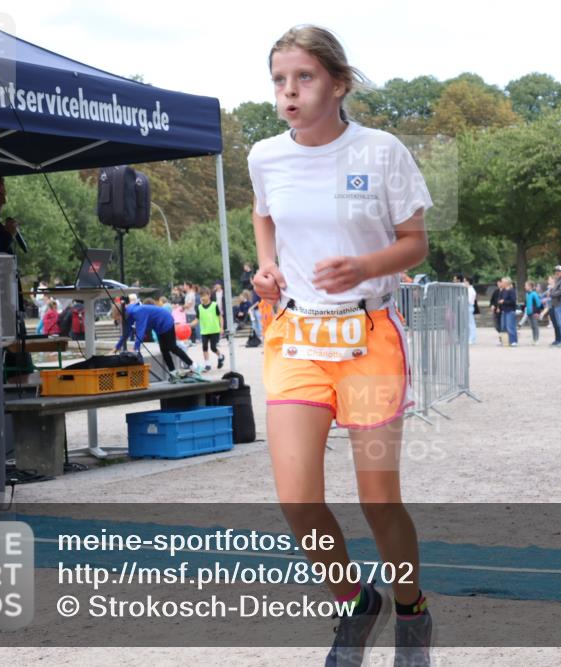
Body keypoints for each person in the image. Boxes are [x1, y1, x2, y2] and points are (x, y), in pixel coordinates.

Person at [248, 25, 434, 666]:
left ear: (338, 83)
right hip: (295, 337)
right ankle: (357, 602)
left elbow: (416, 242)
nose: (289, 92)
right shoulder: (265, 156)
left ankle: (411, 611)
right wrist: (266, 265)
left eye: (303, 78)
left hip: (369, 339)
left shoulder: (381, 151)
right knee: (297, 499)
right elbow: (263, 213)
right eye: (279, 80)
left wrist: (363, 267)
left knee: (378, 499)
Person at [112, 301, 197, 373]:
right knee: (164, 350)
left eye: (118, 319)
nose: (118, 321)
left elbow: (140, 331)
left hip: (166, 321)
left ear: (121, 314)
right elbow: (126, 333)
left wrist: (135, 349)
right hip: (158, 327)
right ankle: (173, 372)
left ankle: (192, 364)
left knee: (172, 347)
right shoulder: (128, 315)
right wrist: (116, 347)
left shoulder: (137, 311)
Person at [196, 288, 226, 371]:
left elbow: (220, 317)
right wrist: (189, 325)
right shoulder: (199, 307)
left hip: (214, 330)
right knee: (204, 347)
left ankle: (221, 356)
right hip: (204, 331)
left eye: (204, 295)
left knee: (213, 347)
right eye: (201, 296)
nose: (202, 297)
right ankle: (207, 364)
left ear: (209, 295)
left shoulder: (214, 305)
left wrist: (221, 328)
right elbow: (197, 319)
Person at [520, 280, 543, 345]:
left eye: (526, 286)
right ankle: (534, 339)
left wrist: (537, 313)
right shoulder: (527, 294)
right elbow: (526, 303)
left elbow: (538, 304)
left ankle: (536, 340)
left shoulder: (534, 294)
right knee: (532, 327)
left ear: (530, 286)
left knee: (535, 326)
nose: (524, 287)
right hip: (529, 312)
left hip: (534, 313)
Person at [498, 277, 517, 346]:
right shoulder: (502, 290)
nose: (501, 283)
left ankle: (513, 341)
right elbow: (499, 298)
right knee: (504, 326)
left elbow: (513, 301)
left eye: (502, 282)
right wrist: (499, 304)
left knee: (510, 326)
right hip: (503, 310)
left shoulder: (511, 291)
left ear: (506, 283)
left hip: (510, 311)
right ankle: (505, 341)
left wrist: (504, 301)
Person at [488, 278, 503, 345]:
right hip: (495, 311)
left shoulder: (505, 291)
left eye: (499, 283)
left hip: (502, 310)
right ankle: (501, 335)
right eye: (497, 283)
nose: (498, 284)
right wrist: (492, 305)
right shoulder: (496, 291)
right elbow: (492, 300)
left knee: (502, 325)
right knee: (496, 325)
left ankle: (502, 339)